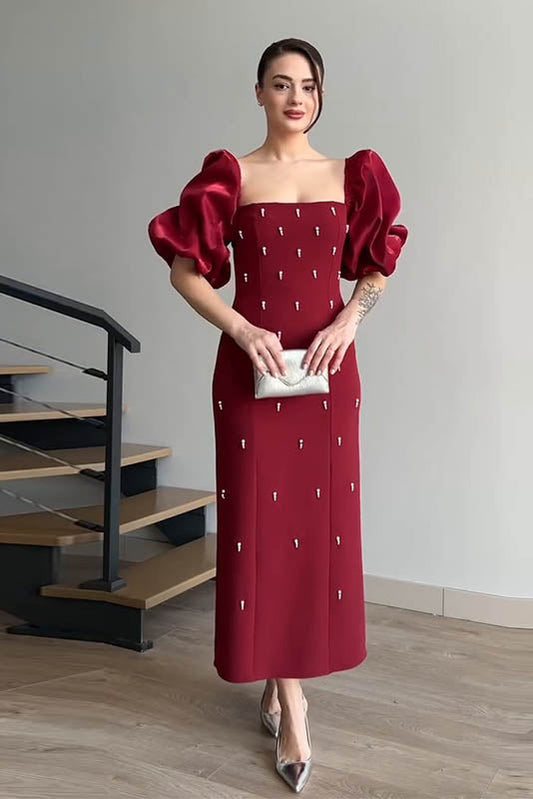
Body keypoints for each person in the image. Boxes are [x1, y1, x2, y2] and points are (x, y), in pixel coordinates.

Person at [148, 37, 408, 794]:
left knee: (314, 534)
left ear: (320, 95)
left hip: (326, 375)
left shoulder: (349, 173)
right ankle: (293, 703)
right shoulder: (233, 175)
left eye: (308, 85)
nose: (296, 97)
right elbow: (183, 269)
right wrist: (239, 327)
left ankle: (280, 679)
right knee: (262, 534)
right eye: (280, 84)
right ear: (257, 93)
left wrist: (348, 320)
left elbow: (377, 264)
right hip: (252, 373)